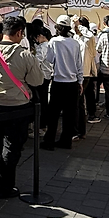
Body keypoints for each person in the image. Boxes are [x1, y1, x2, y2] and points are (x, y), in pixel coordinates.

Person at [0, 16, 44, 198]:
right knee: (12, 145)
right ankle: (4, 186)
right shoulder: (25, 55)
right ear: (19, 33)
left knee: (0, 140)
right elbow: (37, 80)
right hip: (18, 105)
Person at [41, 15, 83, 151]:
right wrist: (80, 81)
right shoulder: (75, 43)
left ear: (57, 27)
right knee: (70, 114)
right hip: (73, 82)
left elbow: (49, 59)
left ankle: (49, 140)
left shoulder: (54, 42)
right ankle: (66, 141)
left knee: (53, 114)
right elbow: (79, 64)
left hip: (58, 82)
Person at [74, 16, 98, 137]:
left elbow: (89, 36)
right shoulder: (75, 38)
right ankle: (79, 130)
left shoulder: (88, 39)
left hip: (84, 73)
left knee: (79, 103)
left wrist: (79, 25)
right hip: (80, 73)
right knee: (80, 102)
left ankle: (79, 131)